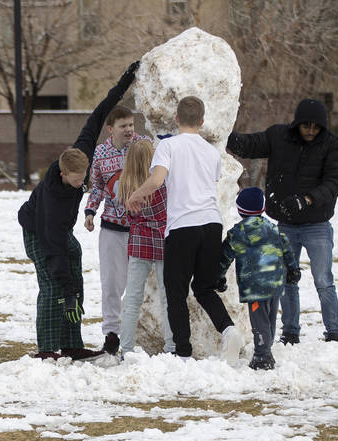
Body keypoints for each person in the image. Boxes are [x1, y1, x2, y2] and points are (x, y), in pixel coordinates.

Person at [18, 61, 139, 361]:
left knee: (76, 280)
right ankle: (47, 349)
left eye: (84, 177)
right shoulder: (54, 201)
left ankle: (71, 344)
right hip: (39, 232)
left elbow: (99, 112)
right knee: (52, 286)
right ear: (63, 175)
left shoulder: (80, 154)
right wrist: (67, 289)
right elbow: (53, 245)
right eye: (76, 180)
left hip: (59, 236)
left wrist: (125, 81)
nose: (81, 183)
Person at [124, 96, 242, 363]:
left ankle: (183, 353)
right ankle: (228, 329)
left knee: (175, 292)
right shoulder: (212, 153)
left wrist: (136, 195)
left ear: (176, 119)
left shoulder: (168, 146)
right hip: (211, 224)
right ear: (202, 122)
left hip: (182, 227)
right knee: (204, 288)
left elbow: (156, 180)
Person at [226, 99, 338, 344]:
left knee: (323, 280)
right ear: (297, 125)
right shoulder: (279, 136)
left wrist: (307, 200)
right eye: (306, 127)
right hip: (286, 224)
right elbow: (249, 145)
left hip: (317, 225)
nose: (311, 132)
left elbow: (335, 182)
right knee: (286, 280)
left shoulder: (334, 146)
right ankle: (290, 331)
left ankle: (334, 332)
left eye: (316, 127)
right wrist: (223, 133)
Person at [83, 105, 151, 355]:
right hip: (112, 226)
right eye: (123, 126)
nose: (129, 130)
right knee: (112, 282)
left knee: (141, 284)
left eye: (132, 125)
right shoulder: (100, 152)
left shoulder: (144, 144)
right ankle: (112, 333)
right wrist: (90, 211)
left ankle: (137, 331)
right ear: (111, 129)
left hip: (143, 227)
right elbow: (98, 186)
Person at [217, 187, 300, 370]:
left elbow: (224, 257)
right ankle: (266, 349)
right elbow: (287, 249)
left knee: (259, 320)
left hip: (254, 287)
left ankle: (263, 356)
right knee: (270, 318)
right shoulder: (273, 229)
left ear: (240, 211)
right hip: (275, 283)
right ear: (262, 208)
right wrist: (293, 270)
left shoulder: (237, 233)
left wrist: (219, 277)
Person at [114, 138, 173, 357]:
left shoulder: (123, 185)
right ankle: (171, 346)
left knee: (132, 299)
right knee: (168, 298)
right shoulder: (163, 183)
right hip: (163, 240)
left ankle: (126, 348)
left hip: (138, 241)